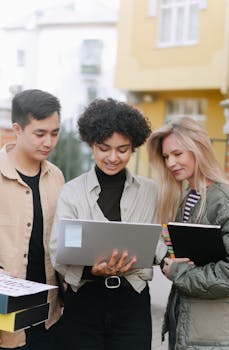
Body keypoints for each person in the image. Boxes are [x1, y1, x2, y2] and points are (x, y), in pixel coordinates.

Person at [49, 98, 167, 350]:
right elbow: (58, 251)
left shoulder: (150, 191)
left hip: (132, 301)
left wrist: (166, 259)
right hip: (84, 302)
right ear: (92, 145)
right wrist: (92, 270)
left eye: (122, 149)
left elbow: (156, 241)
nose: (113, 157)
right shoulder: (71, 192)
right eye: (104, 148)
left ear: (133, 148)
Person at [147, 116, 229, 350]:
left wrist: (179, 272)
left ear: (198, 149)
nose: (171, 162)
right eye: (166, 157)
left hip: (211, 332)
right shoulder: (186, 197)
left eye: (178, 154)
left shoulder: (224, 201)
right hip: (184, 324)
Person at [0, 89, 64, 350]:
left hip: (48, 316)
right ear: (17, 129)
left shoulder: (57, 177)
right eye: (40, 133)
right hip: (5, 318)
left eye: (55, 133)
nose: (48, 142)